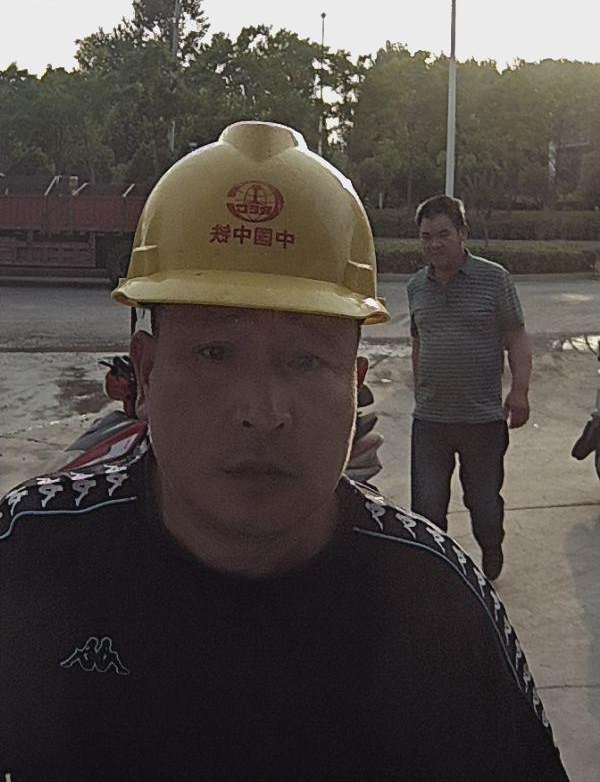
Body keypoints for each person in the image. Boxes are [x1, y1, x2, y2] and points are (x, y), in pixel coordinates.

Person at [0, 123, 567, 781]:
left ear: (355, 386)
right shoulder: (32, 555)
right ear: (146, 375)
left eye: (306, 360)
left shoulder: (436, 606)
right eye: (215, 352)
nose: (263, 412)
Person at [407, 194, 532, 582]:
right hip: (430, 420)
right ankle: (437, 571)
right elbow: (418, 340)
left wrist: (520, 391)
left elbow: (516, 337)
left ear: (463, 233)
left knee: (483, 504)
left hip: (482, 421)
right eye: (426, 236)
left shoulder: (494, 279)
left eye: (443, 234)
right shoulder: (416, 286)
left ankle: (491, 545)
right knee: (427, 505)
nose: (434, 244)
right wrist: (419, 385)